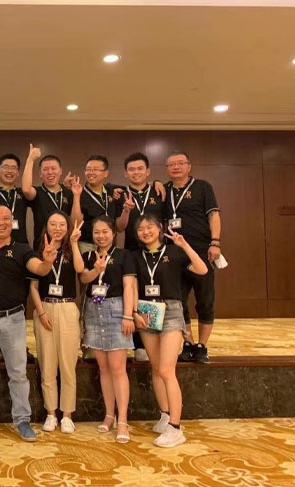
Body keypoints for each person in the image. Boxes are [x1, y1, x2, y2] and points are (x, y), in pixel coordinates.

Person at [0, 205, 58, 442]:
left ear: (12, 222)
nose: (1, 223)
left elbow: (38, 268)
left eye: (6, 219)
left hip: (14, 320)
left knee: (18, 373)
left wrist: (47, 262)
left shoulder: (21, 249)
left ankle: (22, 420)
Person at [128, 214, 208, 447]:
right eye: (141, 229)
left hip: (172, 311)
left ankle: (175, 427)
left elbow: (202, 269)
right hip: (146, 311)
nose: (146, 232)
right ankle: (164, 415)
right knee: (155, 368)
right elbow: (132, 286)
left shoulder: (175, 252)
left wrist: (184, 245)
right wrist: (134, 312)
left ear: (159, 228)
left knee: (166, 369)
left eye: (150, 227)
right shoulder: (135, 256)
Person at [79, 216, 136, 444]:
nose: (101, 236)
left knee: (118, 368)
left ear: (113, 233)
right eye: (96, 232)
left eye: (105, 231)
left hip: (117, 309)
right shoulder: (88, 255)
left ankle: (123, 420)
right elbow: (84, 278)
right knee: (103, 368)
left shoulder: (124, 255)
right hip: (94, 310)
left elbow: (129, 286)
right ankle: (109, 415)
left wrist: (128, 315)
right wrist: (96, 269)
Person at [29, 212, 84, 434]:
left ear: (68, 228)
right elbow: (33, 288)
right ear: (46, 227)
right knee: (47, 365)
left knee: (68, 365)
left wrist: (75, 243)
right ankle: (51, 413)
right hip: (45, 308)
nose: (57, 228)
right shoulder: (37, 253)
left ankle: (67, 415)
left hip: (68, 308)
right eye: (53, 224)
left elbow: (80, 269)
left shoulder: (72, 251)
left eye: (62, 224)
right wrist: (41, 313)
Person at [164, 151, 222, 364]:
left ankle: (202, 346)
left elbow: (214, 215)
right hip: (173, 253)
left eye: (181, 163)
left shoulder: (202, 187)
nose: (176, 167)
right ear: (167, 169)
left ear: (189, 166)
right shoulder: (164, 190)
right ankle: (187, 343)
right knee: (178, 300)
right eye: (172, 164)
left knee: (205, 299)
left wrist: (215, 242)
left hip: (201, 251)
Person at [116, 152, 167, 362]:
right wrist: (126, 211)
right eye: (131, 169)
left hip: (158, 250)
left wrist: (158, 183)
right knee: (136, 293)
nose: (135, 172)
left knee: (161, 291)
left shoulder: (159, 191)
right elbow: (119, 227)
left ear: (148, 171)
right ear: (125, 173)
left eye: (140, 169)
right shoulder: (119, 194)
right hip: (132, 252)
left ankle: (163, 337)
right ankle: (139, 343)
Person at [21, 145, 75, 248]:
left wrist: (76, 195)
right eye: (45, 169)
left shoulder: (68, 193)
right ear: (40, 174)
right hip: (42, 245)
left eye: (53, 168)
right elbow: (26, 189)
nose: (50, 172)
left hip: (66, 245)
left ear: (61, 171)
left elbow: (75, 220)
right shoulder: (38, 192)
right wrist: (30, 160)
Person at [72, 156, 124, 254]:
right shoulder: (78, 193)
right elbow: (76, 224)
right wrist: (76, 196)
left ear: (106, 173)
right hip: (87, 246)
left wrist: (155, 182)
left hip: (111, 245)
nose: (91, 172)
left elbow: (120, 228)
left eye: (95, 169)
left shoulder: (111, 191)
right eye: (88, 169)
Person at [0, 153, 29, 244]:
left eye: (13, 168)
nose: (9, 171)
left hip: (20, 244)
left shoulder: (23, 193)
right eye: (5, 167)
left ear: (18, 173)